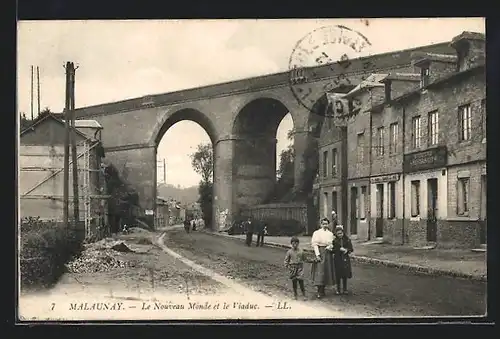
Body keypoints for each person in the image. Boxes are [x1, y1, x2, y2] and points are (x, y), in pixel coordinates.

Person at [310, 218, 336, 299]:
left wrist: (330, 247)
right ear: (321, 224)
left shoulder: (330, 234)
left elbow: (332, 243)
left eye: (326, 224)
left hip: (327, 253)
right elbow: (315, 244)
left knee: (326, 271)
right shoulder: (317, 233)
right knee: (320, 271)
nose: (325, 225)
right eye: (323, 224)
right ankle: (319, 291)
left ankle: (323, 289)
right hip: (320, 252)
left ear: (328, 224)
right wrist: (317, 254)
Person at [332, 225, 354, 295]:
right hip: (337, 259)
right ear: (336, 234)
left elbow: (351, 249)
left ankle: (345, 289)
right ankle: (338, 289)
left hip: (345, 258)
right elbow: (333, 250)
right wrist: (338, 249)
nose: (340, 235)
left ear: (343, 233)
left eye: (341, 233)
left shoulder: (347, 240)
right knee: (338, 274)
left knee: (345, 274)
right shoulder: (335, 241)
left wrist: (346, 250)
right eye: (338, 234)